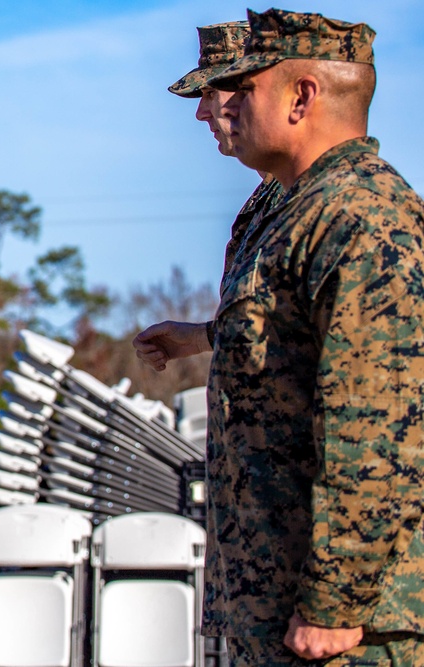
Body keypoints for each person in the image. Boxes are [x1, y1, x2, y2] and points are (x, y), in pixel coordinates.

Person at [201, 9, 424, 666]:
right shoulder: (299, 204)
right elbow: (291, 333)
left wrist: (333, 603)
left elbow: (376, 424)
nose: (214, 108)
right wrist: (200, 335)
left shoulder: (360, 215)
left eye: (243, 88)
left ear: (301, 96)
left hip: (345, 633)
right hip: (280, 610)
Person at [134, 20, 282, 371]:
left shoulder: (313, 201)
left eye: (212, 93)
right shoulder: (269, 201)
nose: (202, 113)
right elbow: (275, 327)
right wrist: (202, 337)